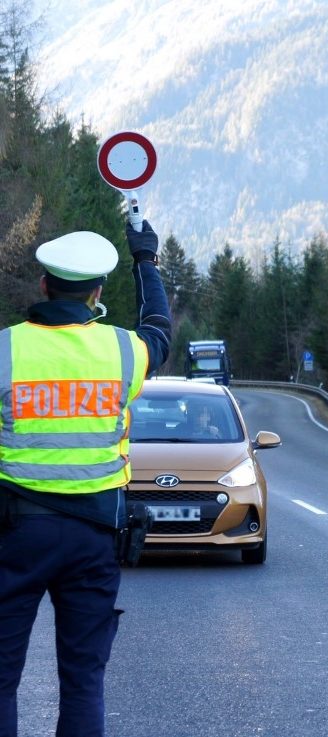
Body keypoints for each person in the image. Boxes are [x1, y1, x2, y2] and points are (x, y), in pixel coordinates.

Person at [0, 220, 171, 737]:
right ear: (97, 293)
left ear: (44, 285)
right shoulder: (123, 352)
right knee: (82, 680)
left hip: (15, 535)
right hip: (94, 537)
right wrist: (145, 261)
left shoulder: (6, 349)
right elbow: (160, 330)